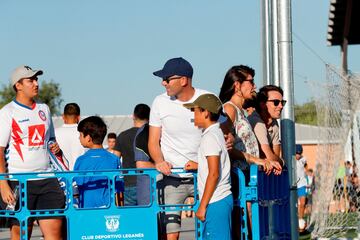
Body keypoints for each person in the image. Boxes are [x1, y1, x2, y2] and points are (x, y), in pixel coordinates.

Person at [149, 57, 210, 240]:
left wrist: (202, 164)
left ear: (183, 80)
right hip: (172, 179)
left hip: (203, 177)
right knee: (171, 233)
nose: (163, 83)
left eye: (167, 79)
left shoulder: (207, 99)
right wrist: (159, 161)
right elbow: (153, 142)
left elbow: (221, 135)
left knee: (208, 228)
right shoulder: (159, 102)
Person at [0, 65, 64, 240]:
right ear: (18, 85)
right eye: (31, 80)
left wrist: (55, 147)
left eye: (37, 80)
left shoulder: (44, 108)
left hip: (47, 179)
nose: (36, 83)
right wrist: (3, 183)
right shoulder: (7, 112)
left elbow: (50, 140)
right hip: (19, 180)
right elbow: (0, 149)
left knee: (55, 234)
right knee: (20, 235)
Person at [218, 65, 281, 238]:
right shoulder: (229, 109)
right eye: (251, 81)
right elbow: (225, 145)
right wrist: (258, 160)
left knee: (251, 224)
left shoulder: (242, 111)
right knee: (246, 224)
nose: (254, 86)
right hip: (237, 176)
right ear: (237, 85)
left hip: (246, 175)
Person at [183, 93, 233, 239]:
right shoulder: (216, 133)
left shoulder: (210, 137)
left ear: (206, 112)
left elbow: (214, 173)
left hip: (215, 201)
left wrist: (203, 205)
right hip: (219, 200)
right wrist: (199, 166)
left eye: (195, 111)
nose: (194, 115)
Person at [74, 116, 121, 208]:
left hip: (85, 212)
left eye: (80, 134)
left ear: (88, 138)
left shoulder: (80, 161)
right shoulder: (114, 159)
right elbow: (119, 191)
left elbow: (75, 191)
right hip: (108, 213)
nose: (79, 138)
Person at [113, 103, 150, 206]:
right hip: (147, 181)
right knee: (147, 216)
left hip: (128, 182)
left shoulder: (122, 136)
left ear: (133, 116)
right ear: (149, 117)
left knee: (130, 217)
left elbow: (115, 159)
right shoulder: (151, 135)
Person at [248, 85, 286, 171]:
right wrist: (282, 162)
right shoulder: (256, 122)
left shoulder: (274, 123)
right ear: (262, 104)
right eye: (276, 102)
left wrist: (278, 161)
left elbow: (276, 156)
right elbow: (272, 158)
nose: (281, 106)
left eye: (282, 102)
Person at [55, 102, 85, 170]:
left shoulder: (55, 133)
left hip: (61, 177)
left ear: (63, 116)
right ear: (78, 117)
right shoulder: (85, 134)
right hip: (80, 176)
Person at [295, 144, 307, 231]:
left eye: (299, 153)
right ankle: (295, 221)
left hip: (302, 184)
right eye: (296, 153)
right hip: (294, 185)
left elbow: (306, 165)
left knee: (303, 203)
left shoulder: (303, 159)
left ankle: (301, 220)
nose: (298, 155)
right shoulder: (290, 160)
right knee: (295, 205)